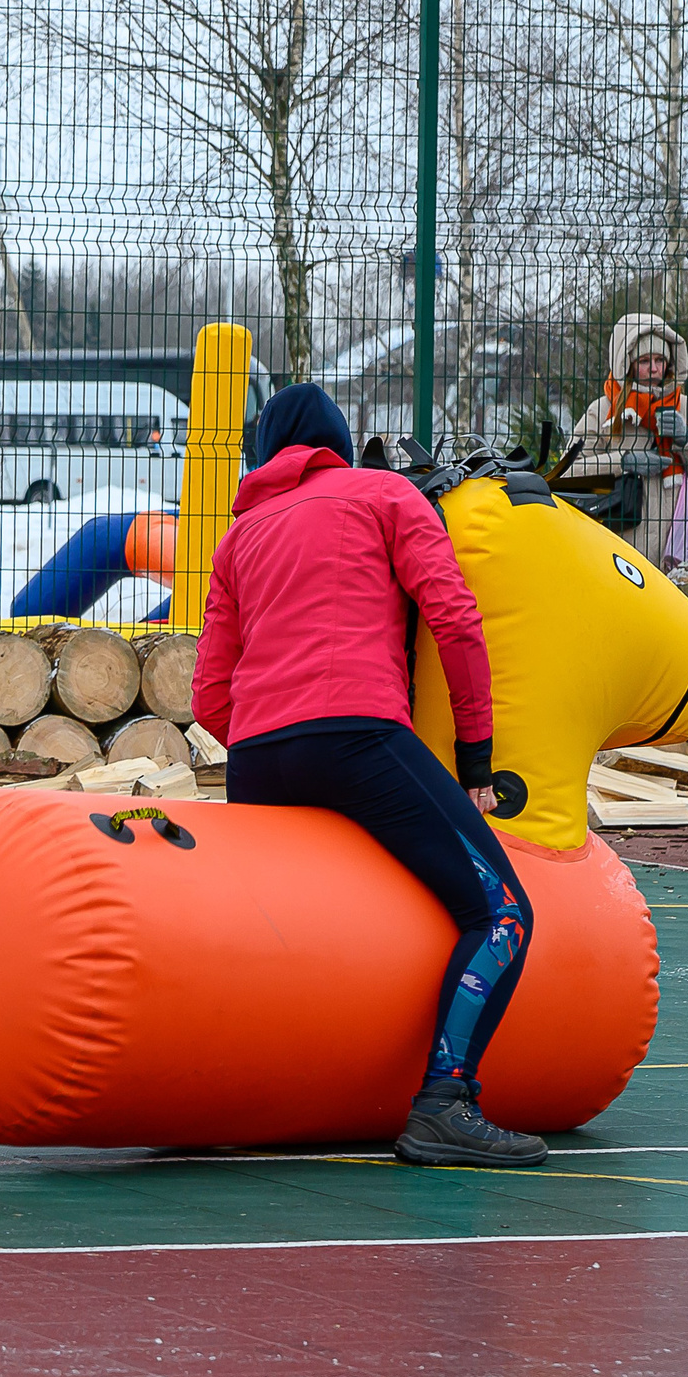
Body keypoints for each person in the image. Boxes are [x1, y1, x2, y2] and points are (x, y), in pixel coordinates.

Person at [192, 384, 544, 1169]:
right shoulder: (383, 493)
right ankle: (446, 1103)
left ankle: (240, 1091)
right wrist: (476, 760)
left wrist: (270, 737)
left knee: (287, 936)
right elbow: (453, 618)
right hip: (356, 732)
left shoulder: (239, 536)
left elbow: (209, 695)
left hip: (256, 756)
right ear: (338, 443)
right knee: (503, 915)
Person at [568, 313, 688, 570]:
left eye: (660, 360)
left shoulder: (686, 409)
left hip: (677, 556)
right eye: (645, 361)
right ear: (627, 363)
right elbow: (569, 471)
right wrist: (624, 462)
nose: (655, 368)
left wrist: (687, 439)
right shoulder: (603, 410)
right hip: (615, 553)